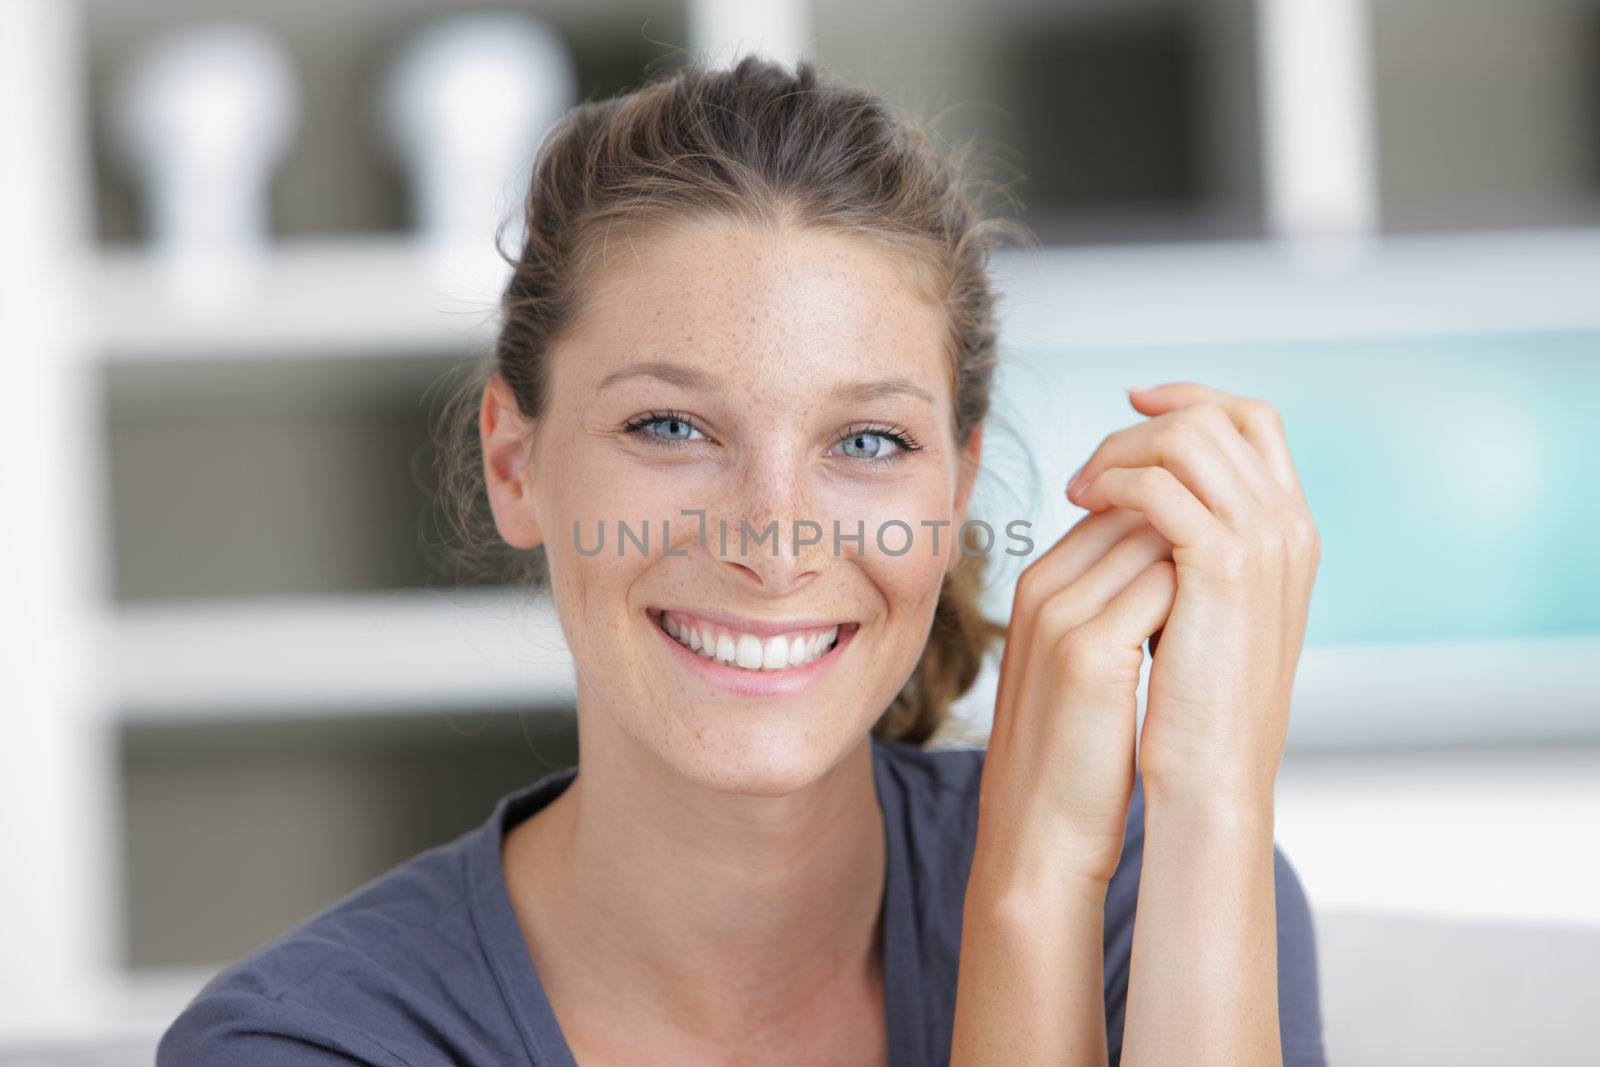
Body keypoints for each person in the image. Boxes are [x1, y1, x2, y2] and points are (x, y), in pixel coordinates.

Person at [159, 54, 1327, 1066]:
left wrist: (1171, 816)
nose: (773, 540)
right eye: (670, 427)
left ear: (956, 486)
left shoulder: (1147, 893)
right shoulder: (313, 1038)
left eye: (867, 442)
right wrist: (1026, 893)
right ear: (515, 461)